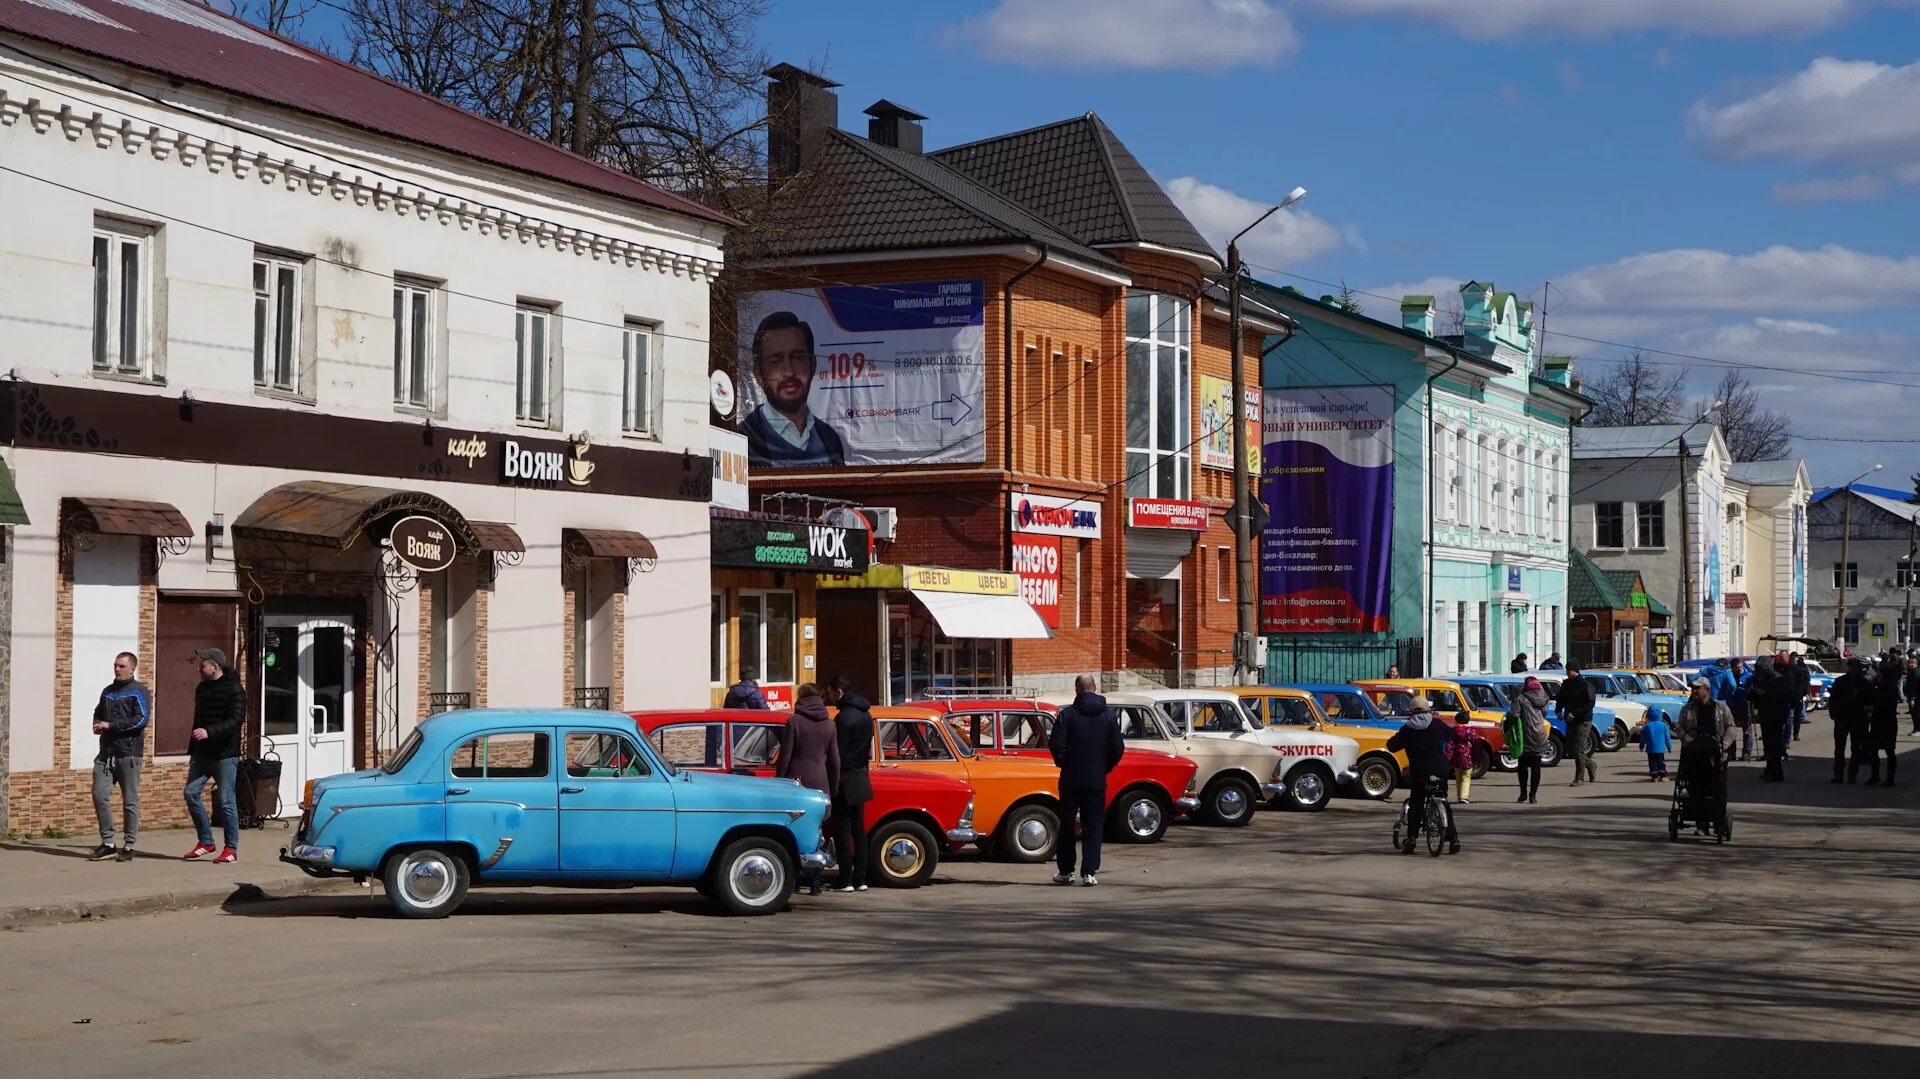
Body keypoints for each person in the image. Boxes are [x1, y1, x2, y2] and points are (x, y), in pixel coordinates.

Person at [738, 311, 847, 468]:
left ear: (813, 365)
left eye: (797, 358)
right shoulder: (744, 439)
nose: (789, 372)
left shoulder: (829, 439)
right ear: (759, 375)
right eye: (775, 361)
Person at [1049, 675, 1124, 886]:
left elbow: (1056, 745)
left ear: (1077, 689)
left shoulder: (1068, 715)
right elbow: (1117, 748)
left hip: (1071, 780)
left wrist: (1065, 763)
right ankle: (1089, 872)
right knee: (1093, 825)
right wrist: (1104, 767)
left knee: (1067, 825)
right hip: (1096, 780)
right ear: (1095, 687)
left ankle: (1066, 871)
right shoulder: (1108, 717)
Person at [776, 683, 841, 896]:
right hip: (820, 781)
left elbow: (785, 757)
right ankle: (815, 881)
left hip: (796, 782)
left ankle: (794, 881)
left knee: (792, 830)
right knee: (817, 833)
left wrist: (779, 782)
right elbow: (834, 761)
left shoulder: (794, 722)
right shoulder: (829, 725)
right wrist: (832, 788)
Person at [183, 648, 245, 863]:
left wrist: (210, 732)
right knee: (191, 792)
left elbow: (236, 720)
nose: (199, 667)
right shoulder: (202, 688)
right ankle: (206, 842)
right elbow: (197, 720)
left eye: (203, 664)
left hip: (225, 754)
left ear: (215, 666)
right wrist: (192, 749)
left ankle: (231, 849)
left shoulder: (234, 689)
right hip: (202, 754)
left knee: (227, 802)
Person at [89, 651, 150, 862]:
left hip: (129, 754)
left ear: (133, 668)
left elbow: (141, 720)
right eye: (115, 665)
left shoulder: (139, 691)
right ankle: (108, 843)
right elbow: (98, 711)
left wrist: (111, 725)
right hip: (106, 753)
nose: (117, 669)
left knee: (129, 801)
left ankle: (130, 844)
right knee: (99, 794)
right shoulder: (108, 691)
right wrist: (97, 722)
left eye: (122, 666)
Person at [1388, 696, 1459, 853]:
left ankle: (1412, 840)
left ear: (1411, 711)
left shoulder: (1408, 728)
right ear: (1428, 709)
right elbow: (1451, 735)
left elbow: (1392, 746)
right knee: (1444, 801)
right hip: (1440, 770)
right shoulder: (1437, 724)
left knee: (1417, 803)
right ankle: (1454, 840)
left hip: (1420, 772)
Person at [827, 675, 874, 892]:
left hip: (845, 777)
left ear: (839, 692)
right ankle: (861, 878)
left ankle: (845, 878)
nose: (830, 697)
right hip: (862, 775)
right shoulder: (866, 715)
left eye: (830, 693)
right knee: (859, 829)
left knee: (843, 830)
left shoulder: (842, 718)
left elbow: (838, 753)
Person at [1828, 656, 1873, 784]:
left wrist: (1867, 717)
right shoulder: (1841, 681)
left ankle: (1852, 774)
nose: (1853, 669)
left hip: (1858, 720)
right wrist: (1834, 714)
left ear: (1859, 668)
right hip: (1842, 719)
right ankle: (1838, 774)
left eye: (1855, 667)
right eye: (1851, 666)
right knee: (1839, 748)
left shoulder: (1864, 683)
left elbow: (1870, 701)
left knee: (1856, 748)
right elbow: (1833, 699)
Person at [1506, 678, 1551, 805]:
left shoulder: (1520, 698)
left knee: (1523, 766)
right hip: (1540, 735)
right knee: (1536, 766)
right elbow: (1545, 713)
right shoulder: (1544, 699)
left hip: (1524, 736)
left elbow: (1514, 716)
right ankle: (1533, 795)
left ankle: (1523, 793)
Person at [1748, 653, 1793, 782]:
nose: (1760, 671)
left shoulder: (1779, 680)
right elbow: (1753, 696)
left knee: (1774, 745)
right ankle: (1770, 770)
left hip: (1776, 716)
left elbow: (1785, 697)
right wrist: (1752, 693)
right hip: (1765, 716)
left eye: (1761, 668)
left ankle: (1776, 773)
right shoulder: (1761, 679)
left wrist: (1765, 693)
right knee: (1768, 745)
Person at [1556, 665, 1597, 786]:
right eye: (1567, 670)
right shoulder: (1566, 684)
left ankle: (1579, 778)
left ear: (1575, 671)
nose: (1567, 672)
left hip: (1583, 720)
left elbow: (1590, 703)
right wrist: (1559, 710)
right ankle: (1590, 764)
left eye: (1569, 670)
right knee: (1570, 748)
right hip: (1570, 720)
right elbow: (1561, 698)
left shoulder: (1585, 685)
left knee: (1579, 748)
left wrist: (1575, 713)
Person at [1865, 655, 1901, 787]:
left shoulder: (1891, 690)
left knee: (1889, 751)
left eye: (1880, 674)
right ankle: (1875, 776)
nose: (1878, 676)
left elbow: (1888, 706)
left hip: (1888, 724)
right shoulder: (1877, 687)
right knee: (1873, 750)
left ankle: (1890, 778)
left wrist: (1875, 707)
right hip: (1876, 724)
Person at [1444, 710, 1481, 804]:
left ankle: (1459, 795)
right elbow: (1477, 744)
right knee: (1466, 777)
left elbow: (1450, 745)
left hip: (1457, 757)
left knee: (1458, 777)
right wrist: (1477, 756)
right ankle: (1464, 797)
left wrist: (1447, 756)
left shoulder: (1453, 732)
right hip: (1468, 758)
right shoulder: (1471, 731)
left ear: (1456, 721)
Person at [1727, 658, 1753, 761]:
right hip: (1732, 706)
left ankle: (1746, 752)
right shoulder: (1729, 676)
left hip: (1745, 706)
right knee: (1731, 731)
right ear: (1732, 668)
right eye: (1736, 668)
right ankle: (1731, 753)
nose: (1738, 669)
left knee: (1747, 731)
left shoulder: (1748, 676)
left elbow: (1754, 678)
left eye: (1740, 667)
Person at [1639, 709, 1673, 782]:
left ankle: (1654, 776)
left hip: (1650, 749)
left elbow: (1643, 738)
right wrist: (1669, 747)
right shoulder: (1663, 725)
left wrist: (1641, 746)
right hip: (1660, 749)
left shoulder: (1647, 726)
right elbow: (1667, 737)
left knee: (1652, 762)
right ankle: (1663, 776)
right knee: (1661, 762)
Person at [1787, 653, 1812, 747]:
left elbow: (1806, 681)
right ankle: (1787, 737)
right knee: (1789, 718)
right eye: (1791, 659)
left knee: (1797, 716)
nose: (1793, 660)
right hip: (1790, 696)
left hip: (1799, 696)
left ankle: (1796, 733)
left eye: (1794, 659)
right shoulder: (1788, 668)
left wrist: (1806, 692)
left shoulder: (1802, 668)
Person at [1905, 655, 1920, 735]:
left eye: (1913, 663)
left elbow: (1915, 685)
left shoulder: (1916, 672)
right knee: (1913, 713)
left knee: (1916, 713)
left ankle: (1918, 730)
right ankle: (1915, 729)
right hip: (1911, 696)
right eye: (1909, 662)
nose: (1911, 664)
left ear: (1917, 663)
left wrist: (1913, 697)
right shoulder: (1911, 671)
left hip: (1916, 696)